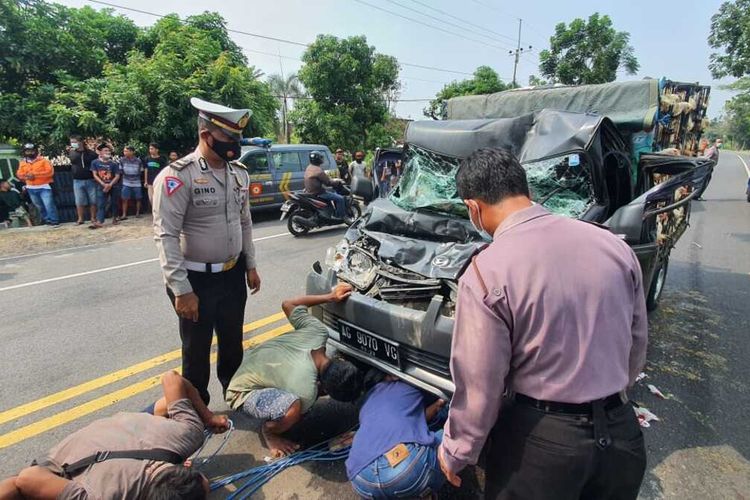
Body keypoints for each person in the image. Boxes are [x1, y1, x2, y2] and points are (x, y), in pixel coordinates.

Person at [437, 148, 648, 499]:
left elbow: (480, 383)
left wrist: (457, 450)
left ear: (473, 208)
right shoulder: (613, 246)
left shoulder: (486, 271)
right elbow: (636, 341)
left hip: (542, 446)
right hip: (621, 435)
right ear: (527, 191)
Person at [153, 97, 261, 405]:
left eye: (238, 138)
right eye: (229, 138)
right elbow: (166, 236)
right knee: (196, 350)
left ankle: (237, 396)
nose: (235, 145)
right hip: (194, 279)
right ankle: (194, 412)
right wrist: (181, 289)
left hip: (232, 275)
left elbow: (245, 222)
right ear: (206, 135)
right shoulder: (177, 176)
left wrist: (250, 264)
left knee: (232, 344)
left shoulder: (238, 173)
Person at [0, 371, 229, 500]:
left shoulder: (187, 434)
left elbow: (171, 378)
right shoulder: (101, 496)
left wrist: (208, 418)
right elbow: (27, 478)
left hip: (121, 430)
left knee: (164, 407)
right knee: (14, 489)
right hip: (64, 460)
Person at [225, 283, 362, 457]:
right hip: (242, 392)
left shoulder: (318, 332)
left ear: (338, 360)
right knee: (294, 409)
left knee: (301, 400)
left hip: (253, 364)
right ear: (326, 388)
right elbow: (305, 398)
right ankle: (270, 432)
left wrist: (330, 297)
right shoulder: (306, 391)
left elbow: (288, 304)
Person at [346, 369, 446, 499]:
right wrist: (440, 402)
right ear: (391, 377)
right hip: (404, 471)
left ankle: (406, 493)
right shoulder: (411, 385)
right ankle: (420, 490)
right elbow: (419, 417)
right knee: (448, 437)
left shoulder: (366, 403)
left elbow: (411, 418)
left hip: (361, 479)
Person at [16, 143, 59, 227]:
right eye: (27, 151)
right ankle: (47, 220)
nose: (30, 153)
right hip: (31, 188)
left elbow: (49, 172)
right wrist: (27, 176)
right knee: (39, 206)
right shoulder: (22, 163)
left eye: (31, 151)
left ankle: (54, 220)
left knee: (49, 204)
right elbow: (19, 174)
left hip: (44, 187)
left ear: (35, 151)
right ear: (24, 152)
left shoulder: (44, 161)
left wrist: (34, 175)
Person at [304, 150, 345, 219]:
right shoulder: (318, 171)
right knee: (340, 199)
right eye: (321, 158)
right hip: (319, 193)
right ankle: (339, 217)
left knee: (330, 192)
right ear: (318, 159)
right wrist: (338, 182)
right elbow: (328, 183)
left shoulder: (309, 167)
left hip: (310, 191)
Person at [68, 135, 99, 225]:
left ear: (80, 142)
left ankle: (93, 218)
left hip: (90, 179)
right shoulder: (72, 153)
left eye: (74, 142)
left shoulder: (91, 154)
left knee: (93, 200)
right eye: (71, 142)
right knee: (79, 200)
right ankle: (80, 219)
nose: (73, 144)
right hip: (77, 180)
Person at [90, 143, 121, 228]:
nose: (108, 152)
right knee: (101, 203)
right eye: (105, 150)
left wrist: (110, 185)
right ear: (100, 153)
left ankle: (115, 218)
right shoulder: (95, 162)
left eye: (109, 150)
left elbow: (117, 176)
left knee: (114, 202)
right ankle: (100, 221)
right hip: (101, 186)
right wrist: (103, 184)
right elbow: (95, 175)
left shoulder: (114, 163)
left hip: (113, 186)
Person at [119, 145, 144, 219]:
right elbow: (120, 171)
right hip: (126, 181)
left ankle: (137, 213)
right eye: (124, 151)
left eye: (126, 151)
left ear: (132, 152)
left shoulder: (138, 161)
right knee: (124, 198)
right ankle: (124, 214)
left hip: (137, 182)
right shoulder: (122, 160)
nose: (124, 152)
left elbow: (141, 171)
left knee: (138, 198)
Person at [144, 143, 167, 207]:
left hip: (159, 182)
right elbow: (146, 170)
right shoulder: (147, 159)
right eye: (150, 149)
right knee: (151, 198)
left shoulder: (162, 159)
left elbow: (164, 171)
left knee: (158, 198)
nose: (150, 150)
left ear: (157, 150)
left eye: (152, 149)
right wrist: (145, 181)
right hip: (150, 182)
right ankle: (154, 212)